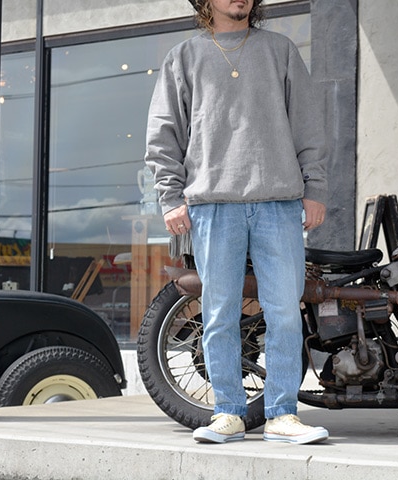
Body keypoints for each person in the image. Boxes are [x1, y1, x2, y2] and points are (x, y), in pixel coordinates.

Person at [144, 0, 329, 445]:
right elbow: (164, 132)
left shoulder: (280, 50)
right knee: (219, 314)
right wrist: (171, 196)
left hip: (279, 202)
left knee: (285, 312)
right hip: (213, 204)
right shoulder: (184, 56)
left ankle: (282, 414)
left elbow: (308, 124)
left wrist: (316, 188)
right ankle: (228, 412)